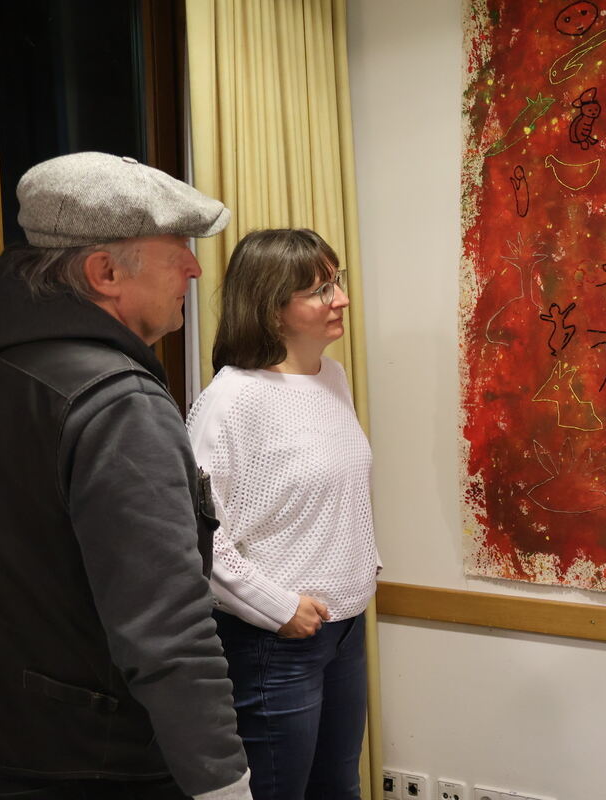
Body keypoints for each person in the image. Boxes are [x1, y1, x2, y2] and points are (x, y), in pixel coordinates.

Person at [0, 152, 250, 798]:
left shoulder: (4, 366)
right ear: (104, 272)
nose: (194, 268)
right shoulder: (116, 403)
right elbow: (169, 629)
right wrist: (224, 784)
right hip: (99, 763)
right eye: (177, 249)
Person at [186, 229, 379, 800]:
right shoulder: (230, 401)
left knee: (338, 789)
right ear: (272, 309)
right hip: (273, 641)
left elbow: (337, 493)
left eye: (337, 282)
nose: (341, 299)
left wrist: (364, 565)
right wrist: (279, 608)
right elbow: (196, 537)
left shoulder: (332, 378)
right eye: (320, 290)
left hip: (345, 627)